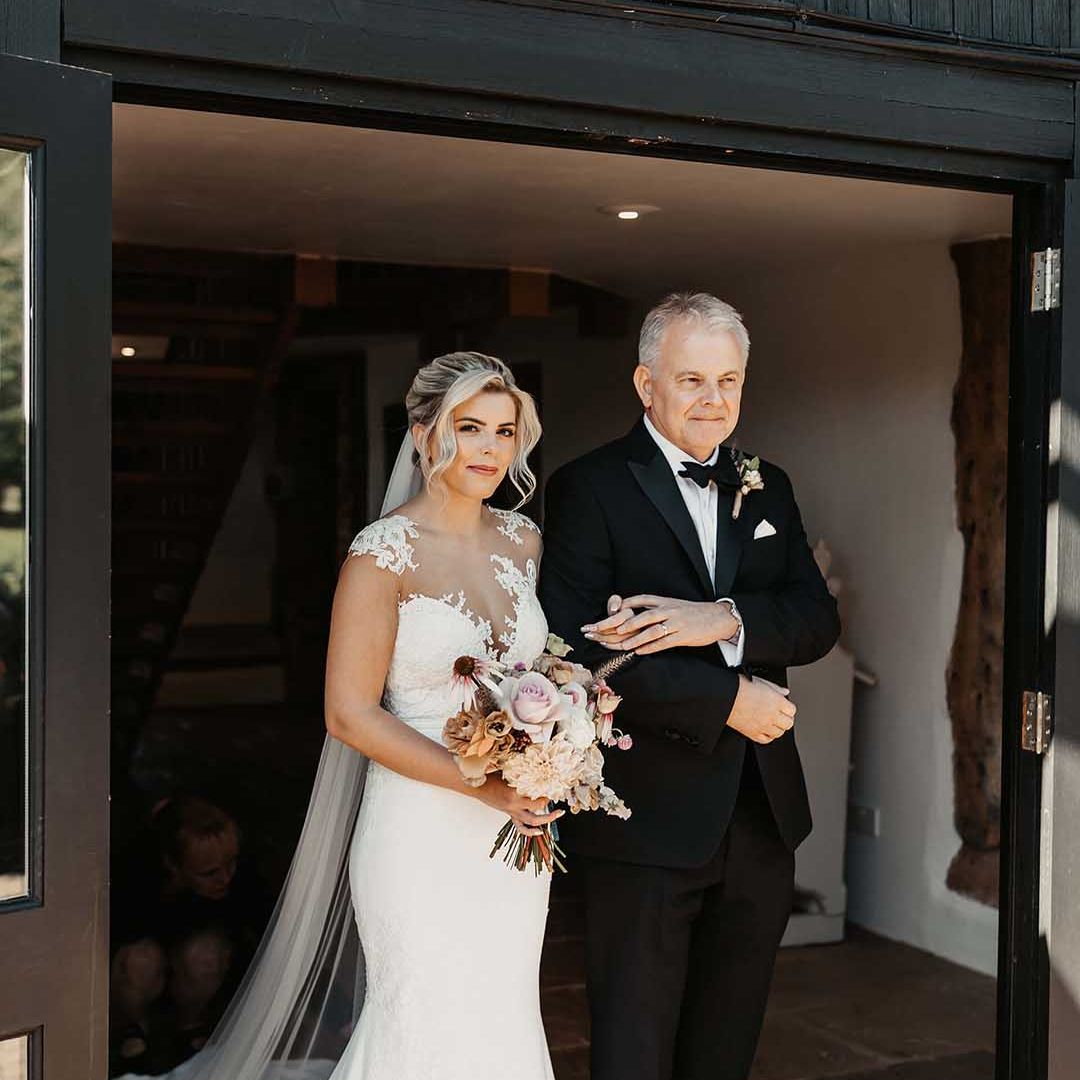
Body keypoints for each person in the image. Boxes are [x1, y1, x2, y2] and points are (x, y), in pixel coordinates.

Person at [119, 352, 558, 1080]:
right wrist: (479, 783)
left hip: (511, 838)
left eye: (504, 431)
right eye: (470, 427)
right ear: (425, 433)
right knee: (422, 1023)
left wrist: (556, 747)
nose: (489, 448)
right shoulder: (381, 555)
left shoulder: (523, 541)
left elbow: (525, 677)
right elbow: (348, 714)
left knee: (503, 1013)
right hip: (416, 833)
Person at [539, 292, 841, 1080]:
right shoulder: (588, 487)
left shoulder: (766, 484)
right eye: (692, 380)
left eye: (728, 381)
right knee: (635, 1051)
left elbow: (816, 620)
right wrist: (728, 700)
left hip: (761, 816)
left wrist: (723, 620)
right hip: (643, 816)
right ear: (647, 385)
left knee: (725, 1050)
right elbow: (575, 646)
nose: (714, 400)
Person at [110, 796, 271, 1075]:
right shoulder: (137, 873)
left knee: (205, 956)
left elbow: (266, 932)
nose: (225, 878)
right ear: (173, 866)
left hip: (202, 984)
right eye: (209, 873)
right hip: (147, 967)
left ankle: (191, 1030)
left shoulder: (240, 878)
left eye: (231, 864)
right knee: (138, 961)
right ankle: (130, 1033)